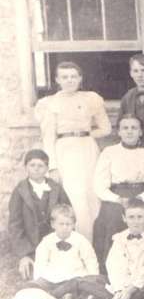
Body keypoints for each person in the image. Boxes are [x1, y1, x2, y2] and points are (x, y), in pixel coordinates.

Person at [34, 61, 112, 241]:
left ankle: (97, 246)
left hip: (88, 150)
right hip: (65, 152)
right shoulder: (49, 103)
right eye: (64, 77)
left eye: (73, 76)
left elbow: (106, 128)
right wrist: (52, 167)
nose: (69, 80)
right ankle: (79, 243)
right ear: (57, 80)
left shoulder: (90, 99)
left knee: (93, 194)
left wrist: (85, 134)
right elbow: (48, 137)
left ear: (80, 78)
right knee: (75, 196)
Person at [93, 114, 144, 267]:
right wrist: (117, 199)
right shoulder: (109, 152)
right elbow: (99, 185)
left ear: (140, 131)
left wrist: (141, 198)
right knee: (112, 218)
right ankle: (111, 268)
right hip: (117, 196)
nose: (129, 131)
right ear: (118, 132)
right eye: (125, 128)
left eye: (134, 128)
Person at [9, 149, 70, 281]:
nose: (36, 169)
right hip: (31, 246)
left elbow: (68, 214)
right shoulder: (20, 191)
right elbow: (15, 225)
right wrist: (24, 254)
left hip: (55, 242)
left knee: (65, 269)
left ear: (47, 168)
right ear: (26, 167)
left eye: (40, 165)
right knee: (35, 275)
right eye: (32, 165)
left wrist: (65, 240)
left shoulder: (56, 188)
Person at [28, 205, 108, 299]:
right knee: (40, 284)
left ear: (74, 225)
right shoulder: (47, 241)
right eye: (61, 224)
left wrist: (93, 278)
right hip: (53, 276)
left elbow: (90, 260)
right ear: (53, 224)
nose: (65, 227)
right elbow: (40, 262)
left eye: (68, 224)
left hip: (74, 276)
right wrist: (38, 278)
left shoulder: (81, 240)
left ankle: (64, 294)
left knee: (79, 284)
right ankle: (57, 292)